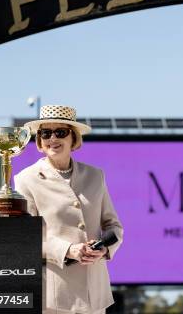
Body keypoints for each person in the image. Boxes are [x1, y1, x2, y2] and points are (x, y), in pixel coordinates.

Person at [15, 105, 123, 314]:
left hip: (95, 295)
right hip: (53, 297)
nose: (52, 138)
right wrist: (67, 250)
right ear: (39, 140)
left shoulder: (95, 176)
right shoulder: (26, 179)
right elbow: (25, 239)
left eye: (60, 132)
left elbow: (114, 226)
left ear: (73, 138)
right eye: (46, 133)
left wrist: (104, 249)